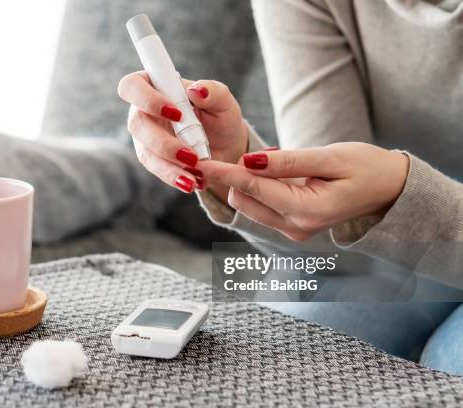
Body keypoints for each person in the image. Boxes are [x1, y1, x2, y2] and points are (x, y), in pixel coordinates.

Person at [117, 0, 463, 374]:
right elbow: (329, 239)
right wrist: (233, 160)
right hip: (400, 250)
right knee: (280, 353)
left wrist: (400, 196)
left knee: (449, 362)